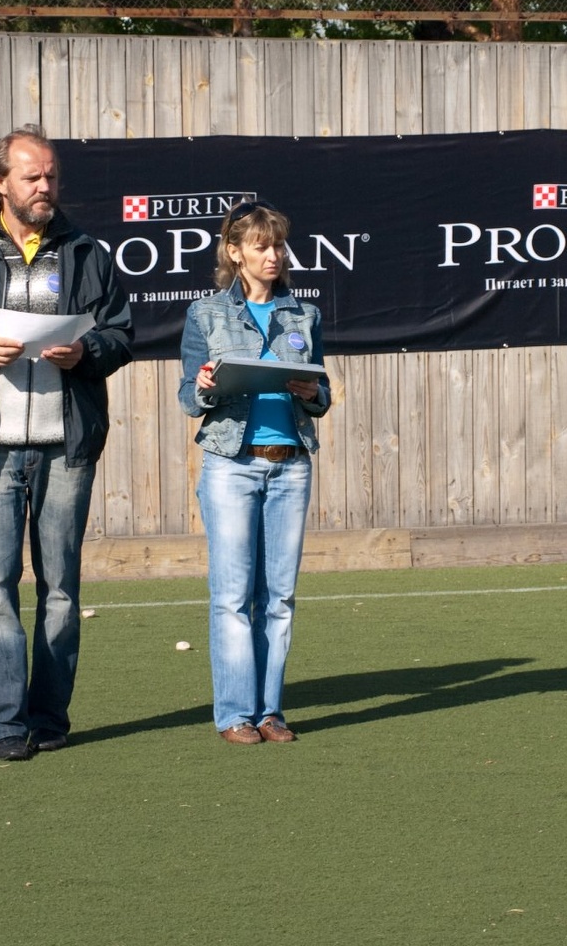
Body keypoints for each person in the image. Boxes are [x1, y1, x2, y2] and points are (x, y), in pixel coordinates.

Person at [0, 124, 134, 761]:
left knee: (61, 592)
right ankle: (7, 725)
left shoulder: (88, 252)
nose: (45, 187)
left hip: (66, 449)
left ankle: (50, 716)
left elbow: (121, 333)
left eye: (52, 176)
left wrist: (85, 351)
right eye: (33, 177)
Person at [178, 198, 331, 745]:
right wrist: (204, 386)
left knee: (280, 598)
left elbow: (322, 395)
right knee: (232, 596)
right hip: (230, 465)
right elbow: (188, 398)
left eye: (279, 245)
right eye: (262, 246)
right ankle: (235, 715)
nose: (274, 255)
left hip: (291, 466)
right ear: (234, 252)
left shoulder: (304, 315)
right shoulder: (205, 314)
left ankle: (271, 712)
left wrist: (314, 393)